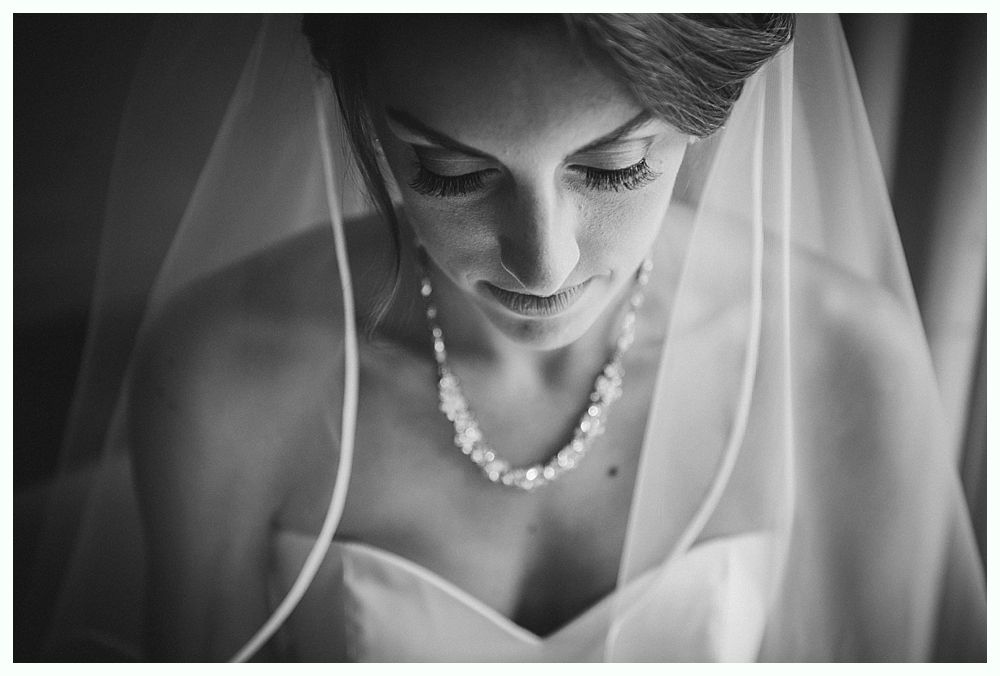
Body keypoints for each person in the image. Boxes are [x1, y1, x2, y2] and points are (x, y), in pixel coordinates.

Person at [30, 14, 985, 662]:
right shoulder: (224, 373)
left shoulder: (843, 360)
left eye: (613, 169)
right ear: (363, 119)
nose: (544, 263)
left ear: (706, 121)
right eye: (450, 172)